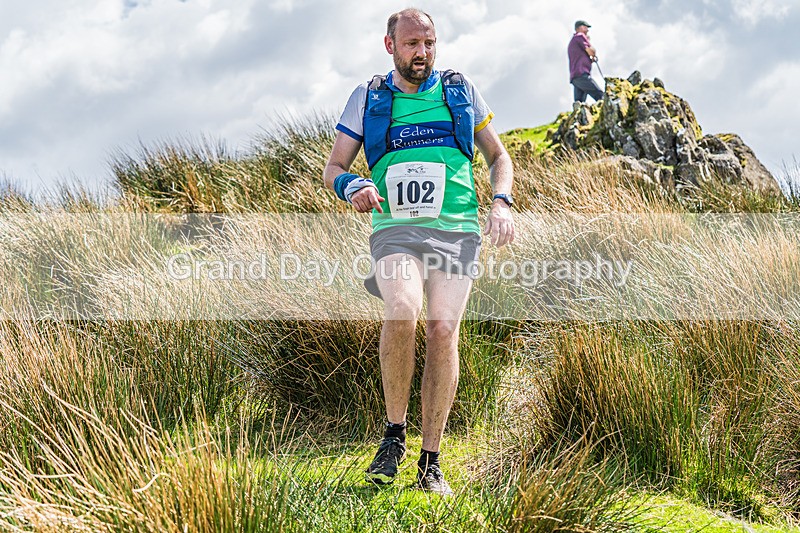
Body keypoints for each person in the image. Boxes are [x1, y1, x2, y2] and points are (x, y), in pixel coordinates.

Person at [323, 8, 515, 496]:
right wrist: (352, 186)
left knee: (444, 329)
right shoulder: (368, 97)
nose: (422, 54)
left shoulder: (459, 90)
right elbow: (333, 169)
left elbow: (500, 157)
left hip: (456, 231)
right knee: (403, 309)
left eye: (429, 43)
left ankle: (431, 461)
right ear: (390, 45)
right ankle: (393, 436)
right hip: (396, 229)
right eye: (411, 44)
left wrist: (501, 201)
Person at [568, 19, 604, 103]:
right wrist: (588, 42)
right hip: (582, 73)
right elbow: (591, 51)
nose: (587, 30)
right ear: (580, 27)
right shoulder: (580, 36)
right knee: (600, 95)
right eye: (586, 27)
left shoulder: (573, 40)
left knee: (579, 103)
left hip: (575, 77)